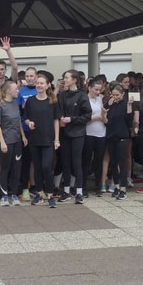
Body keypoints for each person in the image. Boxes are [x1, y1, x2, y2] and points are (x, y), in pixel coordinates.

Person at [24, 72, 60, 208]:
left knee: (46, 166)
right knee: (37, 167)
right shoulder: (30, 101)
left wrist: (57, 139)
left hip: (48, 139)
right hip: (34, 139)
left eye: (41, 83)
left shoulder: (52, 101)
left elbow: (56, 120)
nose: (39, 85)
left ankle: (50, 195)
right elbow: (25, 118)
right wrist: (29, 123)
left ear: (47, 85)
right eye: (37, 83)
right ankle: (39, 194)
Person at [57, 69, 92, 204]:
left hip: (78, 133)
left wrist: (72, 119)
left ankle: (79, 192)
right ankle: (66, 191)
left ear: (74, 80)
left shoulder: (82, 96)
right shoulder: (62, 95)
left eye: (67, 78)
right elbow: (58, 111)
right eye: (64, 77)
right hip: (65, 133)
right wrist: (60, 119)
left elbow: (87, 116)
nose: (64, 80)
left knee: (77, 162)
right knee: (65, 161)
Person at [0, 80, 27, 206]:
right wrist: (2, 142)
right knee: (5, 168)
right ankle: (4, 195)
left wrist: (23, 135)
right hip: (5, 141)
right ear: (8, 91)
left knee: (16, 168)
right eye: (16, 89)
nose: (18, 91)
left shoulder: (15, 103)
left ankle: (14, 194)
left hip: (16, 140)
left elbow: (18, 120)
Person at [105, 83, 133, 199]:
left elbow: (129, 121)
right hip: (111, 136)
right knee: (113, 163)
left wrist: (129, 106)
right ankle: (116, 186)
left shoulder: (126, 104)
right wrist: (106, 108)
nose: (115, 97)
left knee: (122, 162)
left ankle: (123, 188)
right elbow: (107, 120)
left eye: (117, 95)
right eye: (113, 95)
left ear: (122, 94)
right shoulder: (111, 105)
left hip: (122, 136)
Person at [16, 66, 39, 201]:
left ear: (36, 77)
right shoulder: (21, 91)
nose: (29, 78)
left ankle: (36, 187)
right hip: (25, 130)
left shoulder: (40, 89)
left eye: (32, 76)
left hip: (39, 131)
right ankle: (24, 187)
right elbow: (18, 111)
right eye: (27, 76)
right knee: (25, 161)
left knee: (37, 161)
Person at [83, 79, 107, 197]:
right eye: (96, 89)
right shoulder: (85, 100)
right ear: (89, 88)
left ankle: (98, 186)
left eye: (99, 90)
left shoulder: (100, 99)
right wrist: (97, 117)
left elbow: (104, 117)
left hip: (101, 133)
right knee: (86, 160)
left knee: (99, 160)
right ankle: (83, 187)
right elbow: (83, 119)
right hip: (88, 133)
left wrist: (103, 116)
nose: (98, 92)